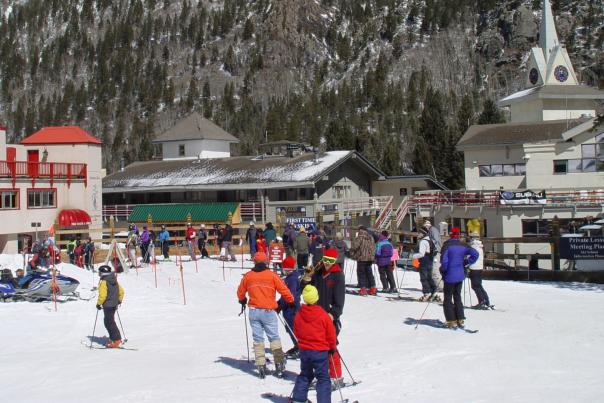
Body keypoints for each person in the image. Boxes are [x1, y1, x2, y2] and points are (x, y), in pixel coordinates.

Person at [237, 252, 294, 378]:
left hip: (254, 311)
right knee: (274, 338)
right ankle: (279, 364)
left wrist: (242, 299)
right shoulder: (272, 275)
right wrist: (291, 300)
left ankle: (261, 365)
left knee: (258, 339)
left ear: (255, 262)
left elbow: (240, 291)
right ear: (266, 262)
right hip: (268, 311)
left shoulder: (248, 276)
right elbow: (283, 289)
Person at [300, 248, 345, 389]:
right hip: (316, 315)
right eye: (325, 259)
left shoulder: (337, 275)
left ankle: (336, 376)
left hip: (328, 317)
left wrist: (333, 314)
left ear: (335, 261)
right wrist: (306, 278)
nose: (327, 263)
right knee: (318, 349)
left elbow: (340, 301)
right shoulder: (318, 272)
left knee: (331, 347)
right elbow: (306, 290)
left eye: (330, 261)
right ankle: (322, 376)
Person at [290, 285, 337, 403]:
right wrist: (332, 347)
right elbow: (331, 333)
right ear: (316, 298)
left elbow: (296, 331)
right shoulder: (322, 315)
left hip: (305, 351)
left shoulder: (299, 314)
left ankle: (298, 399)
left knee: (305, 374)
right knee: (323, 378)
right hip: (319, 351)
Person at [440, 227, 479, 328]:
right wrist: (466, 262)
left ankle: (451, 320)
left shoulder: (447, 246)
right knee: (457, 296)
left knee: (448, 298)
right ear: (459, 235)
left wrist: (443, 271)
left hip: (449, 275)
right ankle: (460, 318)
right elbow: (475, 254)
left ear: (450, 234)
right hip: (460, 274)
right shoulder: (463, 245)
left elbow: (444, 262)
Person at [96, 265, 125, 348]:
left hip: (108, 305)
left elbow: (103, 295)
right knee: (110, 321)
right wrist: (118, 300)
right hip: (113, 304)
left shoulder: (104, 281)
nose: (98, 274)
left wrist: (98, 304)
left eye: (99, 272)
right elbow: (121, 291)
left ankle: (116, 340)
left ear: (103, 273)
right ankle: (114, 338)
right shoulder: (113, 279)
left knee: (109, 322)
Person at [277, 255, 300, 358]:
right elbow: (284, 295)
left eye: (284, 268)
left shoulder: (292, 279)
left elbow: (291, 295)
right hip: (287, 308)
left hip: (292, 309)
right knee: (289, 328)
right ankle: (297, 345)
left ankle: (300, 347)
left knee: (293, 328)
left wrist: (281, 304)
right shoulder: (289, 278)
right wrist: (279, 304)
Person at [412, 226, 439, 301]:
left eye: (420, 233)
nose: (418, 234)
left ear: (423, 233)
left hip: (424, 260)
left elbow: (421, 254)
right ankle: (434, 291)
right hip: (430, 260)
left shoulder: (423, 241)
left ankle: (427, 293)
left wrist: (413, 256)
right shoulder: (430, 240)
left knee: (424, 278)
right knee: (429, 277)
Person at [349, 226, 377, 296]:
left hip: (362, 258)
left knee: (361, 274)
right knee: (369, 273)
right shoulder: (371, 237)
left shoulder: (360, 237)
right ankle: (373, 288)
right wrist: (372, 256)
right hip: (369, 258)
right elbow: (373, 247)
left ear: (360, 230)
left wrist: (352, 252)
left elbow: (354, 246)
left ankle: (363, 289)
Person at [468, 233, 492, 309]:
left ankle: (482, 301)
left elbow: (472, 257)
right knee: (479, 285)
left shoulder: (473, 246)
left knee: (475, 285)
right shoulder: (480, 246)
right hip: (479, 267)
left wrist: (467, 262)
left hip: (474, 268)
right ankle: (486, 300)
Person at [423, 220, 443, 291]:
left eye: (426, 225)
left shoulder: (433, 230)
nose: (426, 227)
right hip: (434, 251)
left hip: (436, 251)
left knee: (435, 269)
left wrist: (430, 244)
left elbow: (435, 240)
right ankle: (437, 285)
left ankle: (440, 287)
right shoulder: (431, 230)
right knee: (433, 269)